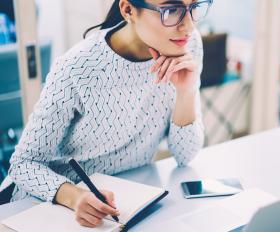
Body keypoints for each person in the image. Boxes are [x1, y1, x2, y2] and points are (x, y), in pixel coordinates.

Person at [6, 0, 212, 227]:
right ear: (128, 10)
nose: (188, 26)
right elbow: (23, 164)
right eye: (171, 10)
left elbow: (185, 155)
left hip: (128, 206)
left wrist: (186, 91)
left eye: (194, 6)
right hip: (50, 208)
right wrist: (74, 197)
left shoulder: (187, 46)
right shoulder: (78, 67)